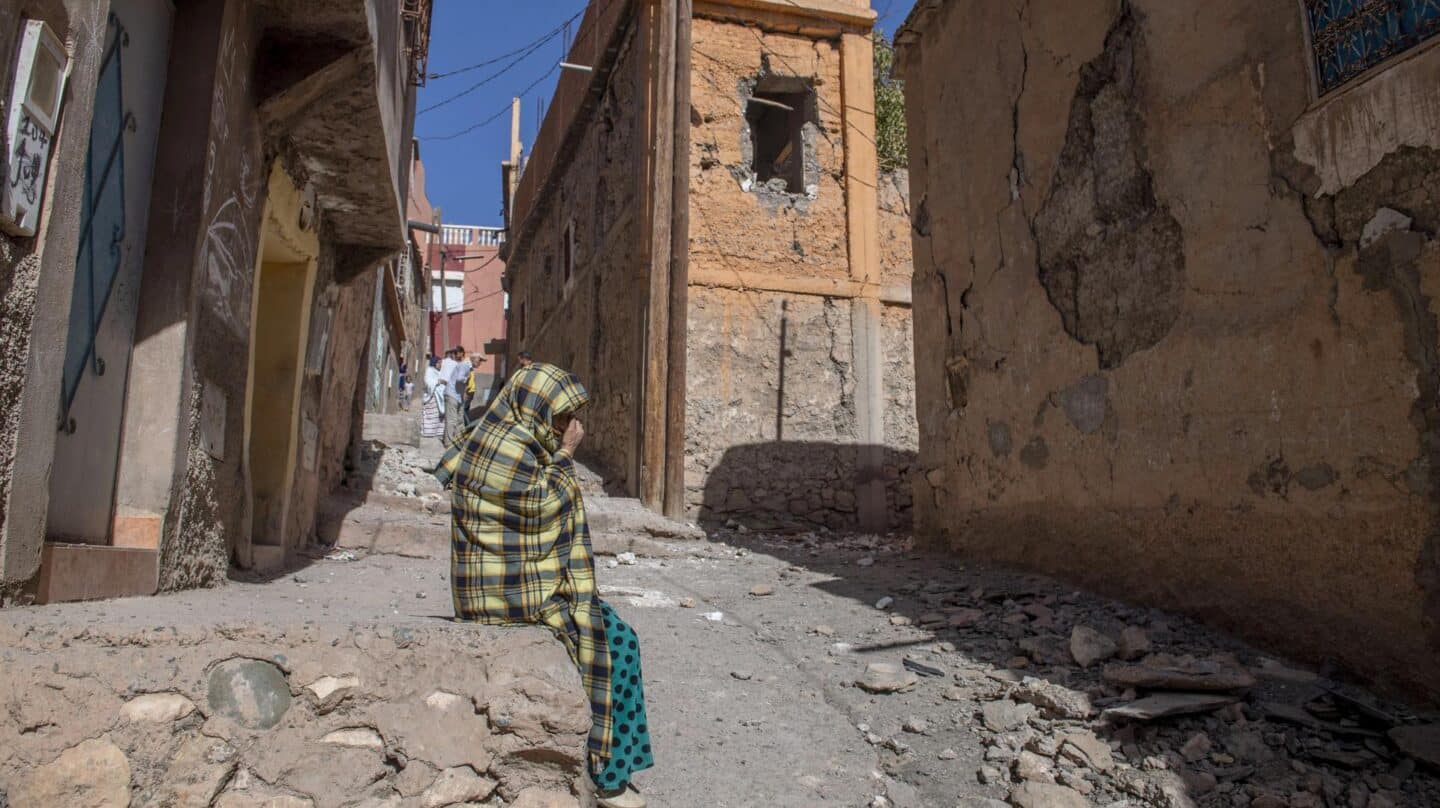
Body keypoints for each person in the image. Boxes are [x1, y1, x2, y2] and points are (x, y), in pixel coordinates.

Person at [434, 364, 653, 808]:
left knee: (618, 636)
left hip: (518, 581)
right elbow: (540, 508)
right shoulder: (505, 450)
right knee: (616, 644)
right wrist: (567, 455)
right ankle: (608, 773)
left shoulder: (507, 438)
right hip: (506, 593)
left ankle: (615, 766)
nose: (567, 429)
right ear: (533, 407)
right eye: (559, 418)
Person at [420, 356, 444, 441]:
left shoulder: (439, 372)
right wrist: (438, 382)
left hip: (439, 397)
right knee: (430, 415)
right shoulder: (429, 371)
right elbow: (428, 382)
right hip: (431, 397)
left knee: (439, 416)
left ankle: (438, 432)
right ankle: (428, 432)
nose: (440, 365)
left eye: (441, 363)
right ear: (435, 363)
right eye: (439, 363)